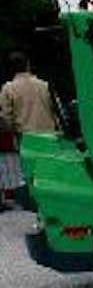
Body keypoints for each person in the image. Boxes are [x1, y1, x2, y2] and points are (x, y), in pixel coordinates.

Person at [0, 52, 59, 209]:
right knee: (50, 174)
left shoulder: (8, 89)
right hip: (49, 136)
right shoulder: (44, 85)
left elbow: (6, 119)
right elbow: (55, 112)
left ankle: (39, 208)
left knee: (32, 175)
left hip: (26, 139)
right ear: (28, 65)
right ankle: (54, 205)